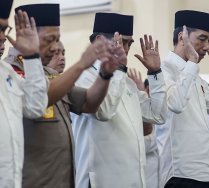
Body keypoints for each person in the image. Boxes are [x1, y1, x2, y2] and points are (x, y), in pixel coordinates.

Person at [4, 3, 120, 187]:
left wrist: (105, 74)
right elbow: (40, 99)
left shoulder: (50, 74)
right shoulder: (11, 73)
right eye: (49, 39)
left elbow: (89, 103)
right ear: (28, 36)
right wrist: (81, 64)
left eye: (57, 39)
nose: (55, 46)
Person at [71, 12, 167, 188]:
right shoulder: (83, 78)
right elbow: (105, 112)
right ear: (99, 40)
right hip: (101, 181)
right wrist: (120, 69)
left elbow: (158, 115)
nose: (126, 49)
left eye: (129, 43)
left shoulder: (126, 82)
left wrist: (155, 73)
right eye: (122, 42)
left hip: (133, 180)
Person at [155, 10, 209, 188]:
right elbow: (176, 104)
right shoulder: (163, 70)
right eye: (202, 39)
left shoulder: (195, 74)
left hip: (206, 173)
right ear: (182, 37)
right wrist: (192, 62)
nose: (206, 47)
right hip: (181, 174)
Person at [0, 1, 48, 187]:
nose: (3, 37)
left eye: (5, 29)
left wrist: (32, 57)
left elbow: (35, 107)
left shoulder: (6, 72)